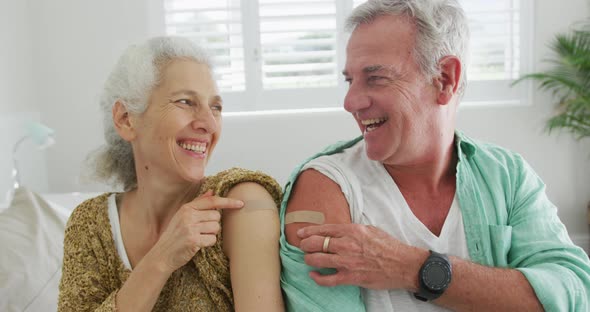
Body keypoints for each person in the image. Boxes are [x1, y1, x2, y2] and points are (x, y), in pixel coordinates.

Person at [280, 0, 590, 311]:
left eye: (376, 78)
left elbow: (573, 293)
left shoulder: (507, 176)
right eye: (350, 80)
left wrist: (413, 268)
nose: (350, 102)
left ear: (444, 78)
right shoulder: (327, 187)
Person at [58, 36, 284, 311]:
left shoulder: (240, 205)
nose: (209, 124)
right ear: (126, 119)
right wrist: (161, 259)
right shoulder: (90, 224)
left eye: (216, 107)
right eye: (186, 102)